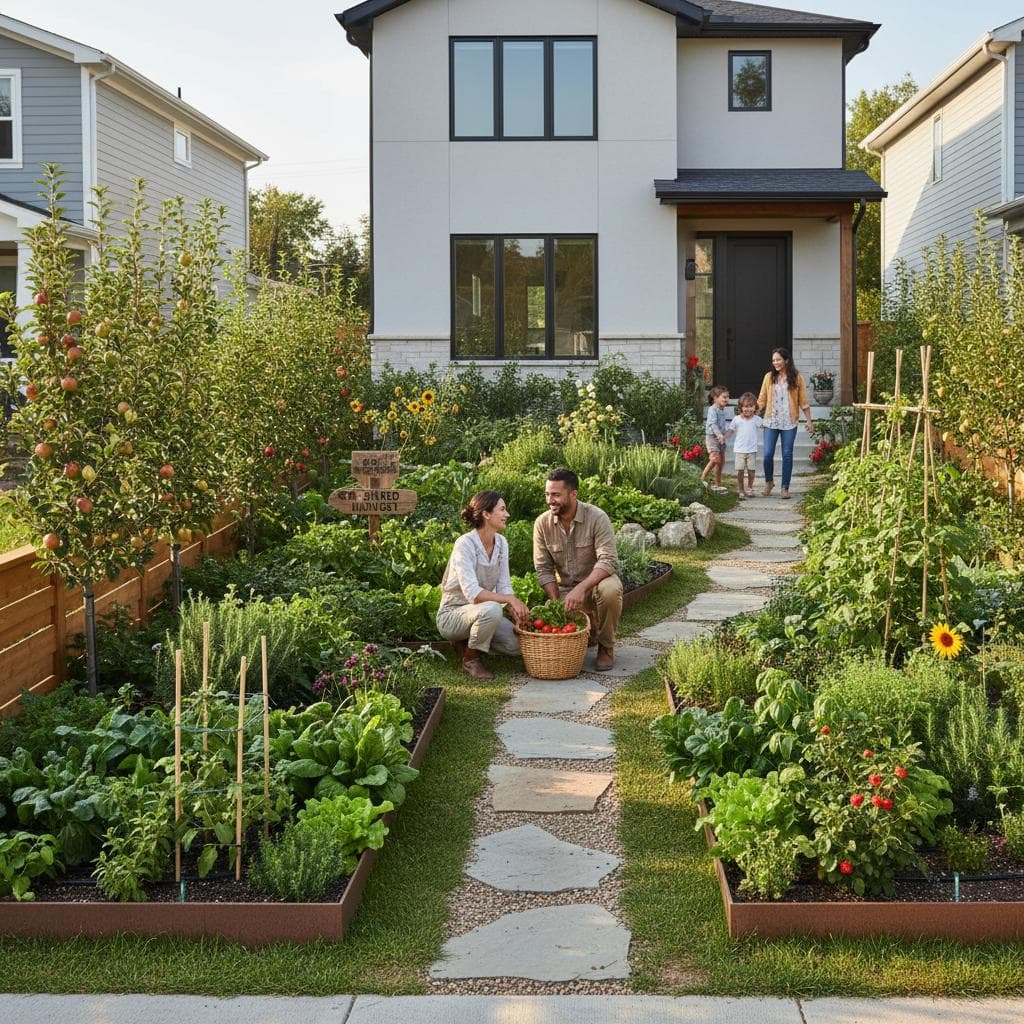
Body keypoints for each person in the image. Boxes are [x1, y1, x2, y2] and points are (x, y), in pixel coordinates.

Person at [533, 468, 622, 671]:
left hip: (596, 584)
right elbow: (543, 569)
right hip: (566, 590)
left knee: (610, 589)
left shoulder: (597, 517)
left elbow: (608, 560)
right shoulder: (542, 524)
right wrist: (556, 602)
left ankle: (606, 647)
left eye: (556, 495)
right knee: (554, 616)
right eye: (547, 494)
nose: (550, 500)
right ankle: (589, 627)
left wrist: (582, 588)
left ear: (573, 494)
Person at [436, 490, 531, 680]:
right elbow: (473, 594)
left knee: (517, 645)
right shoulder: (465, 544)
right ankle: (471, 659)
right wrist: (509, 599)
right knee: (493, 609)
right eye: (502, 509)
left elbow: (504, 585)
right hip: (453, 615)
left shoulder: (501, 543)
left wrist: (514, 609)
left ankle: (467, 643)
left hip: (482, 612)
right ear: (486, 514)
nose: (507, 514)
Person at [756, 347, 813, 499]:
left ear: (786, 360)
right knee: (767, 454)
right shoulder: (769, 377)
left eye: (778, 359)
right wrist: (752, 415)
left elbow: (803, 401)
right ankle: (769, 482)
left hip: (789, 422)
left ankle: (785, 487)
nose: (775, 362)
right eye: (773, 360)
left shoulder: (796, 377)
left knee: (787, 455)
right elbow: (761, 400)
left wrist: (809, 420)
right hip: (771, 421)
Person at [700, 385, 733, 494]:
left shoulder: (722, 409)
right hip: (712, 438)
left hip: (720, 438)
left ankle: (717, 484)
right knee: (715, 459)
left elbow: (722, 424)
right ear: (715, 398)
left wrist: (724, 434)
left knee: (721, 462)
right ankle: (701, 479)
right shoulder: (712, 409)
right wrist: (719, 435)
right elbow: (713, 424)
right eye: (724, 397)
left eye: (727, 397)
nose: (726, 399)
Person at [731, 392, 764, 499]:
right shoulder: (736, 419)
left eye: (751, 406)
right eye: (745, 406)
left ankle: (750, 488)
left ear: (755, 407)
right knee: (740, 471)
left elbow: (765, 426)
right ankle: (741, 490)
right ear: (741, 407)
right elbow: (730, 430)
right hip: (739, 450)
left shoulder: (756, 419)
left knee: (751, 471)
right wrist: (722, 437)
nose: (748, 409)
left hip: (751, 450)